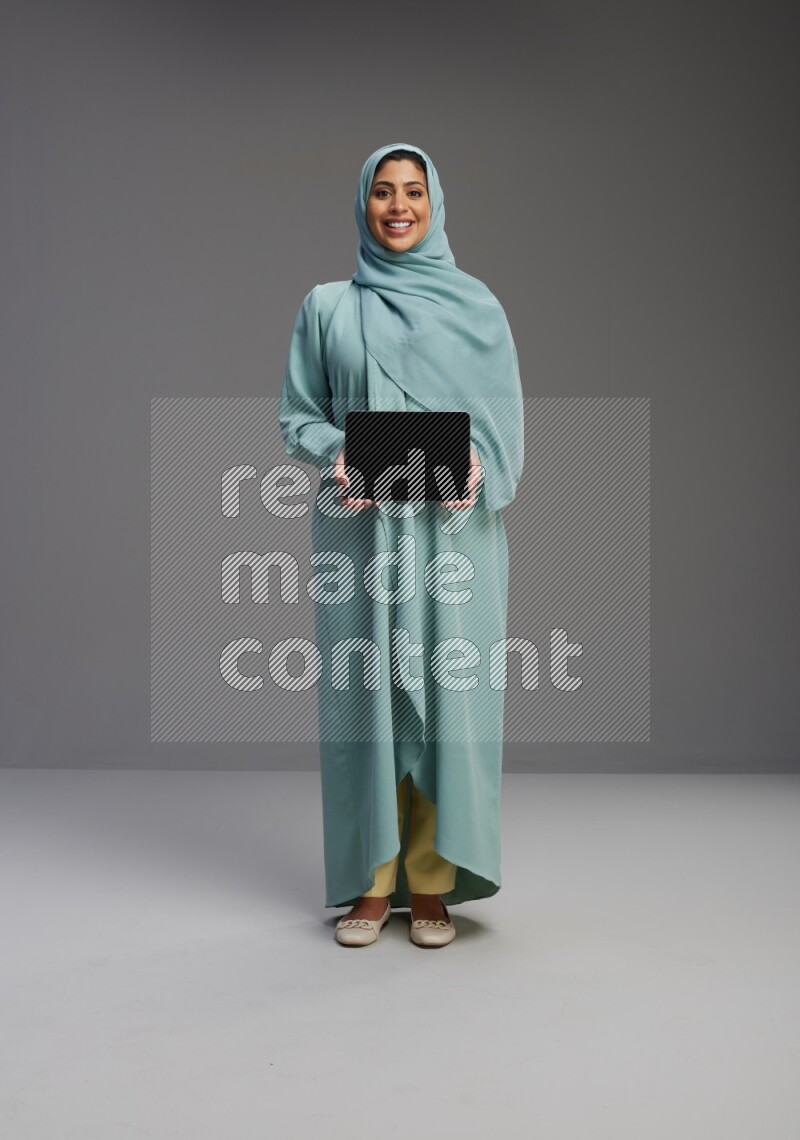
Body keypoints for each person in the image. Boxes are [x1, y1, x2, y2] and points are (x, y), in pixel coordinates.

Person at [279, 142, 524, 948]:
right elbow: (299, 417)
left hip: (454, 536)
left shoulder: (477, 308)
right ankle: (371, 883)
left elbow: (504, 438)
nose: (397, 206)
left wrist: (479, 464)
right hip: (358, 531)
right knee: (365, 705)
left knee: (448, 702)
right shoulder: (326, 307)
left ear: (435, 202)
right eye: (383, 192)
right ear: (363, 203)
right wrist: (339, 453)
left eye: (413, 192)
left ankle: (432, 882)